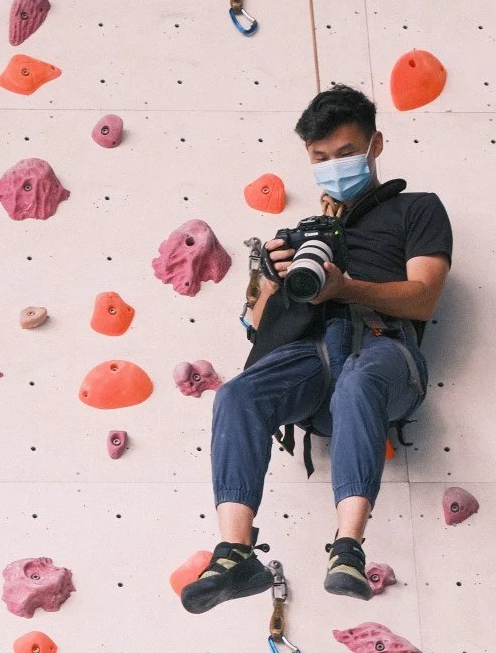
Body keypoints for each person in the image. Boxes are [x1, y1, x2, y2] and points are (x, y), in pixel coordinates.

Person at [180, 84, 453, 614]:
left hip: (381, 347)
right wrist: (269, 276)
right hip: (310, 359)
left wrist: (343, 286)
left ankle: (348, 546)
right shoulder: (300, 232)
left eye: (347, 152)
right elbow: (257, 330)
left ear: (375, 144)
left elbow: (423, 299)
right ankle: (235, 554)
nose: (334, 165)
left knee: (361, 381)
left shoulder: (417, 209)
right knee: (235, 396)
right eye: (320, 158)